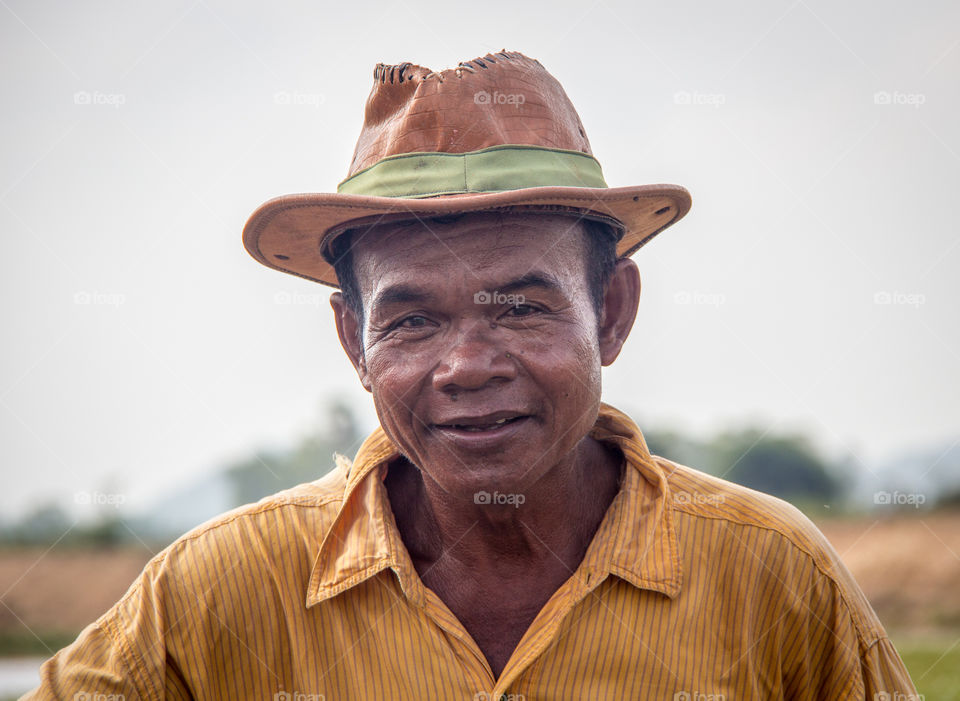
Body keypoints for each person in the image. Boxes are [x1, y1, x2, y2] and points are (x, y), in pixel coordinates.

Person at [24, 50, 919, 700]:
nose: (467, 367)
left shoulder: (771, 572)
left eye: (522, 307)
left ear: (611, 312)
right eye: (412, 320)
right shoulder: (219, 589)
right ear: (354, 340)